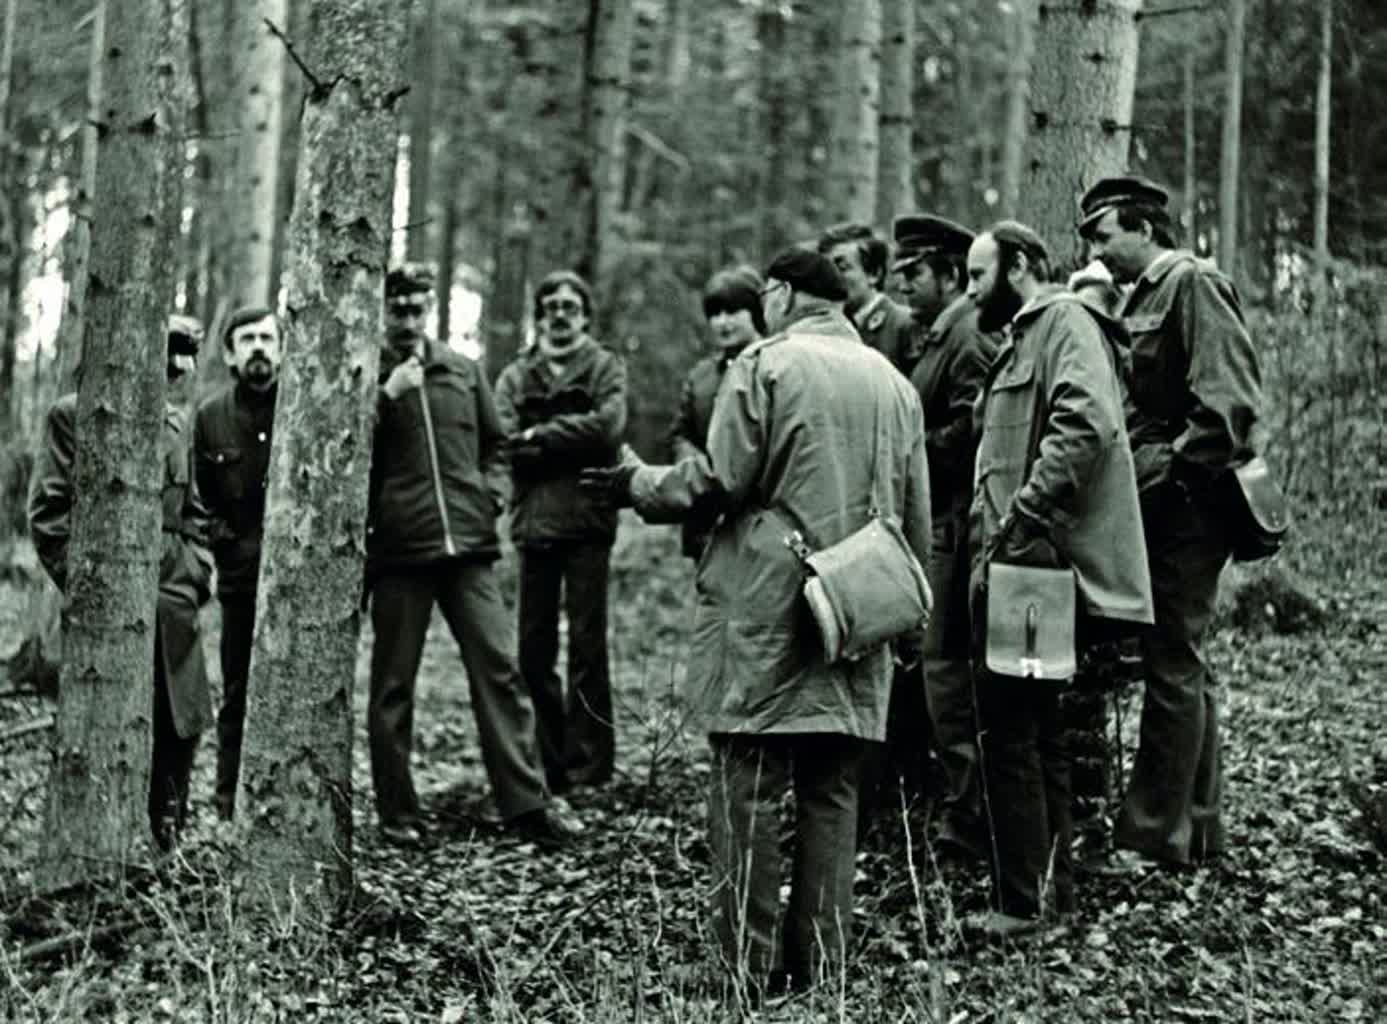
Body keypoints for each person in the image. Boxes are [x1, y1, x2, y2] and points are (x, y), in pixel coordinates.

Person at [581, 248, 930, 998]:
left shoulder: (763, 365)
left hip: (769, 605)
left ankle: (743, 967)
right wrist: (906, 627)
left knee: (748, 785)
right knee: (833, 790)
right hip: (861, 608)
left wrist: (636, 484)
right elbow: (916, 522)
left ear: (781, 295)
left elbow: (717, 480)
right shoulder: (894, 384)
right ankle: (823, 967)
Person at [964, 221, 1153, 938]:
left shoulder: (1064, 322)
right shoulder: (1023, 335)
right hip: (1016, 560)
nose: (969, 291)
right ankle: (1048, 900)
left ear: (1017, 265)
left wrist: (1024, 515)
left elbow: (1085, 423)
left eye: (977, 275)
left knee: (1014, 732)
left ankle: (1023, 906)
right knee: (1032, 730)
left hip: (1033, 564)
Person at [1079, 175, 1263, 871]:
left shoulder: (1193, 283)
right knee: (1183, 664)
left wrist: (1171, 477)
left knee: (1171, 664)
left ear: (1145, 228)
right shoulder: (1139, 296)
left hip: (1188, 507)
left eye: (1105, 236)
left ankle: (1153, 834)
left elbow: (1229, 406)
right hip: (1163, 504)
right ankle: (1199, 827)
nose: (1098, 254)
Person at [365, 263, 582, 848]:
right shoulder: (366, 374)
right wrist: (386, 397)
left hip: (468, 546)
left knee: (500, 670)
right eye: (397, 309)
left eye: (417, 308)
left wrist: (490, 497)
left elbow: (497, 446)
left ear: (429, 309)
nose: (407, 320)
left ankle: (527, 804)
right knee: (393, 686)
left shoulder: (462, 370)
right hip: (400, 551)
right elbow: (346, 448)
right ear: (381, 311)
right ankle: (398, 814)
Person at [29, 315, 215, 850]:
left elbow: (194, 511)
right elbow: (48, 516)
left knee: (181, 722)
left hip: (175, 600)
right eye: (169, 358)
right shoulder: (74, 414)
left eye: (184, 361)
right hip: (107, 606)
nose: (177, 371)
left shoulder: (177, 424)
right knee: (110, 727)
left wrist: (197, 572)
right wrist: (90, 590)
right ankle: (102, 846)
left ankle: (166, 841)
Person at [494, 270, 628, 795]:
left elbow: (609, 427)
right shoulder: (516, 375)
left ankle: (589, 765)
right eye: (551, 306)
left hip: (589, 518)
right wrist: (569, 439)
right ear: (539, 315)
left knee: (588, 647)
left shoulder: (604, 366)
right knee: (534, 648)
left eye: (571, 307)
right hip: (534, 522)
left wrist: (542, 436)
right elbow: (505, 438)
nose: (560, 315)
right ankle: (546, 762)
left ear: (586, 316)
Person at [893, 213, 1000, 857]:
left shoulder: (967, 335)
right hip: (937, 520)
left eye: (915, 272)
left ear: (951, 275)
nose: (902, 283)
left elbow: (973, 433)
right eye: (900, 272)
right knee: (938, 669)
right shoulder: (942, 332)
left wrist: (906, 451)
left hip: (955, 524)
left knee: (946, 668)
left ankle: (969, 812)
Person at [193, 306, 280, 821]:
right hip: (241, 580)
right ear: (229, 354)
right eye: (247, 340)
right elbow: (199, 502)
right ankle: (229, 802)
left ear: (282, 349)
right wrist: (230, 548)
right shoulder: (210, 417)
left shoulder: (302, 408)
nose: (259, 348)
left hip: (298, 582)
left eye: (267, 338)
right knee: (237, 690)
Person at [666, 265, 766, 560]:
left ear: (755, 312)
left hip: (759, 518)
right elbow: (680, 433)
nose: (722, 322)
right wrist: (693, 464)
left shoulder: (775, 366)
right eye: (715, 313)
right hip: (707, 516)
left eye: (733, 312)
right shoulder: (701, 376)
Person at [818, 222, 921, 375]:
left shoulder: (905, 325)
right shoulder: (829, 330)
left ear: (874, 274)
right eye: (826, 270)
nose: (831, 279)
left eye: (842, 268)